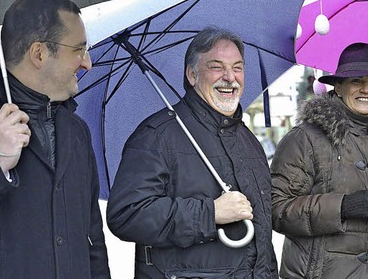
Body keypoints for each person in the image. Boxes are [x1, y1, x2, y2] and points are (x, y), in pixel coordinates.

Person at [0, 0, 110, 278]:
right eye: (79, 49)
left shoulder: (76, 131)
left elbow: (92, 239)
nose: (87, 62)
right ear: (39, 54)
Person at [106, 27, 277, 278]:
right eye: (217, 67)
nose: (230, 77)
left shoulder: (248, 141)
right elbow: (126, 214)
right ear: (192, 74)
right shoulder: (157, 135)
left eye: (237, 67)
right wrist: (210, 213)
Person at [270, 42, 368, 278]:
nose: (366, 89)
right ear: (338, 87)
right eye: (356, 81)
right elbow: (277, 209)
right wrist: (342, 206)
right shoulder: (306, 138)